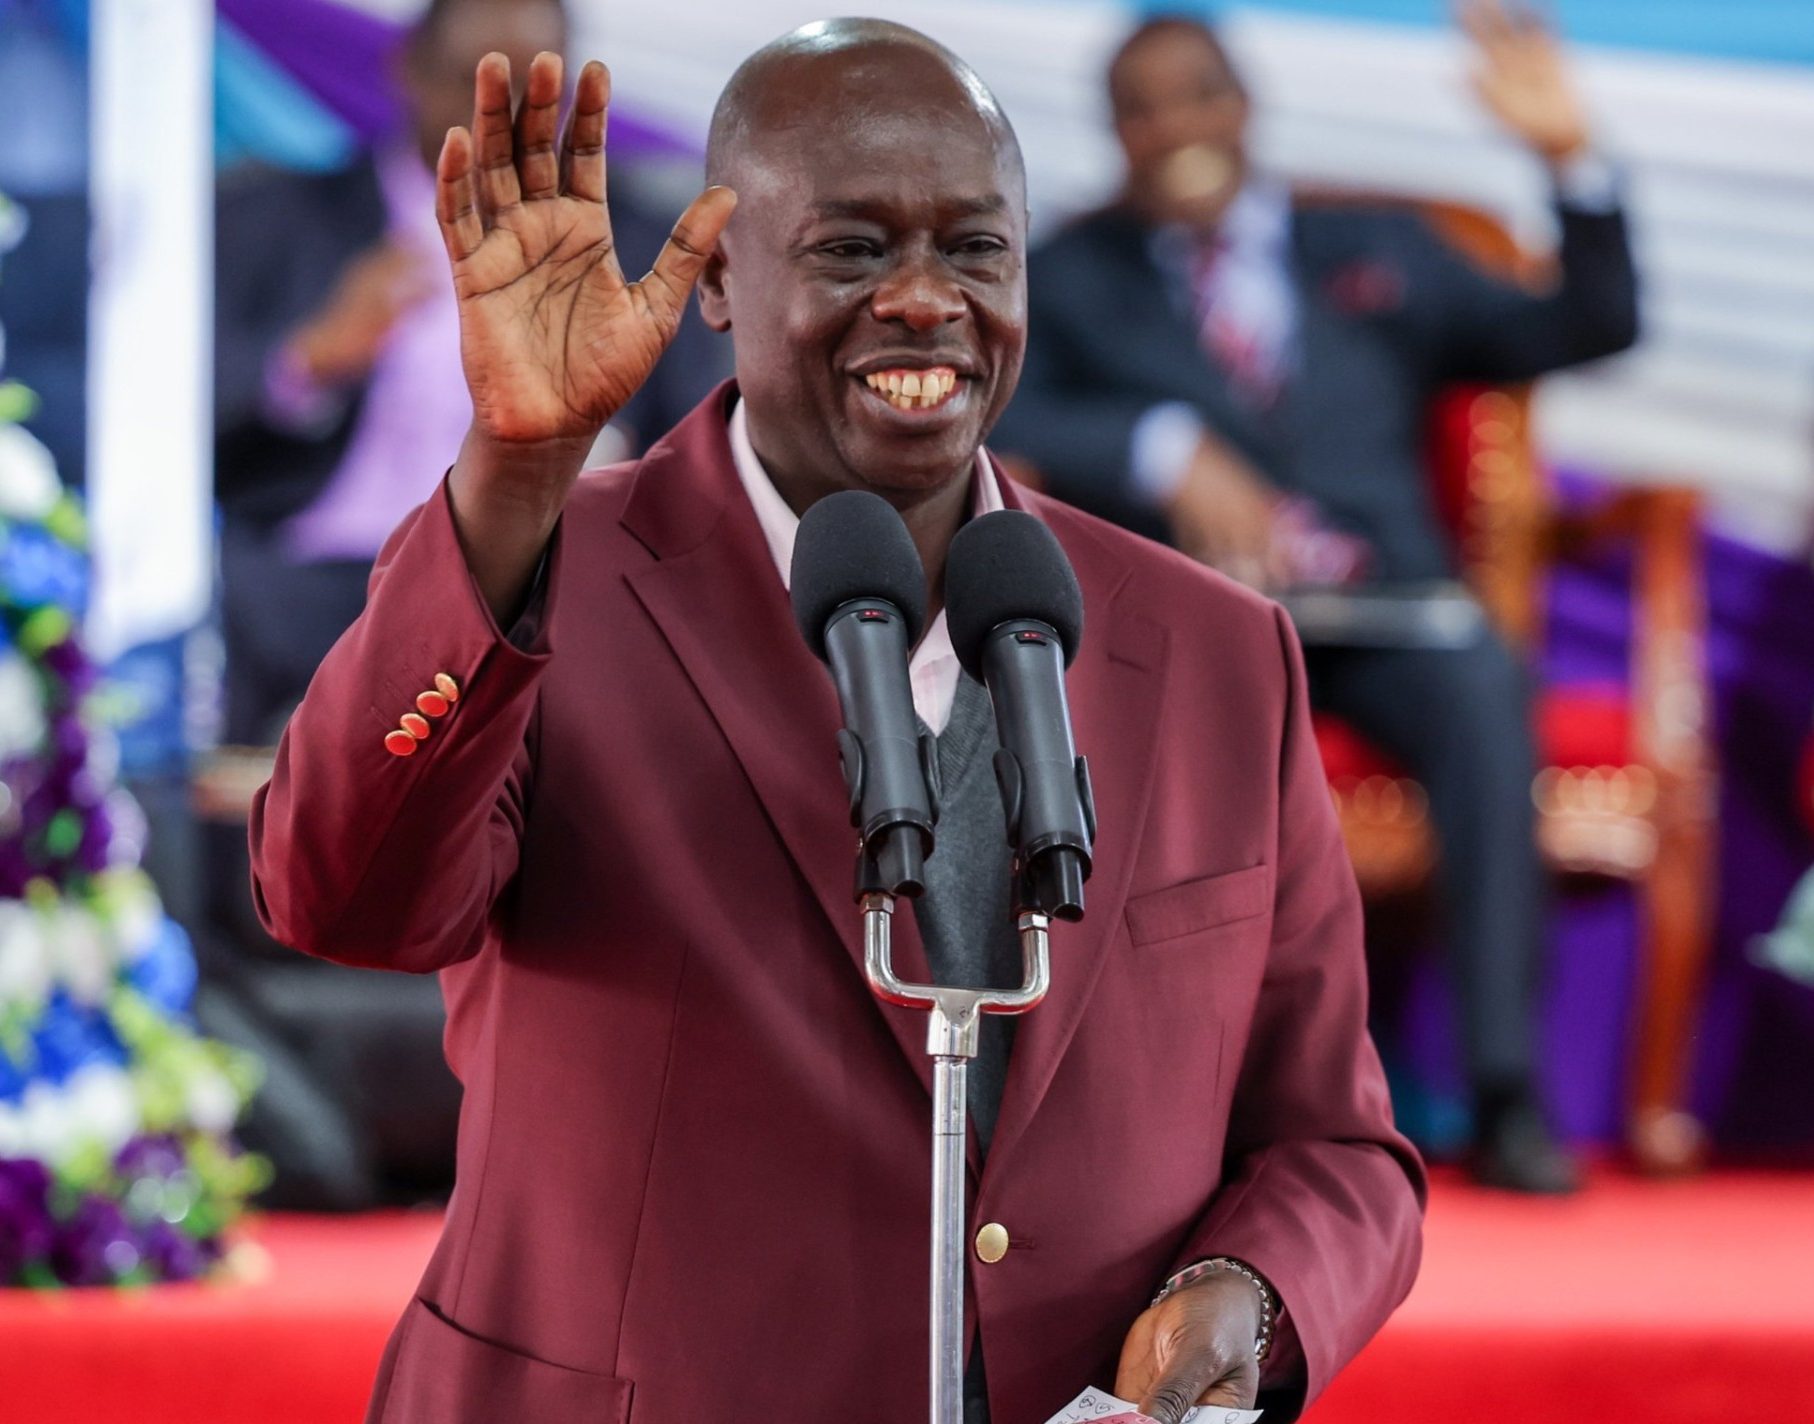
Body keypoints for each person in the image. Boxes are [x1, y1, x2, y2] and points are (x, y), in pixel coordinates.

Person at [249, 21, 1423, 1424]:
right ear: (714, 282)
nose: (923, 300)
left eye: (973, 250)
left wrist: (1247, 1291)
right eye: (852, 250)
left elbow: (1335, 1146)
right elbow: (342, 898)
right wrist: (518, 472)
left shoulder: (1223, 652)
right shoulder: (534, 574)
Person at [994, 0, 1641, 1194]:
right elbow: (990, 403)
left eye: (1192, 94)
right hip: (1197, 630)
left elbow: (1589, 322)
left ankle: (1503, 1092)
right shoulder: (1070, 277)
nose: (1169, 125)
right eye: (1137, 107)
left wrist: (1567, 159)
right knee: (1093, 717)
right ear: (1112, 132)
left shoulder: (1376, 248)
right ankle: (1133, 1116)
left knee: (1484, 689)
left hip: (1387, 615)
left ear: (1240, 107)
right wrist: (1153, 441)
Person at [214, 0, 726, 745]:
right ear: (408, 73)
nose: (505, 118)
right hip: (314, 580)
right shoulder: (278, 219)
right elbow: (165, 416)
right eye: (476, 87)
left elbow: (698, 451)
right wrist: (311, 359)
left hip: (543, 586)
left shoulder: (636, 241)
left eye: (532, 91)